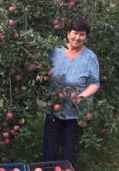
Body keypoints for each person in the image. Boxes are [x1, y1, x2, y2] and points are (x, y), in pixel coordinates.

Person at [43, 17, 100, 162]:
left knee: (69, 149)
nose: (77, 37)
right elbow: (44, 71)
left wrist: (81, 97)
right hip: (54, 108)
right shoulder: (56, 51)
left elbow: (94, 83)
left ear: (86, 37)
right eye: (75, 33)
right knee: (49, 147)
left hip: (77, 111)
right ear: (68, 33)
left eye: (82, 34)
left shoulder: (90, 57)